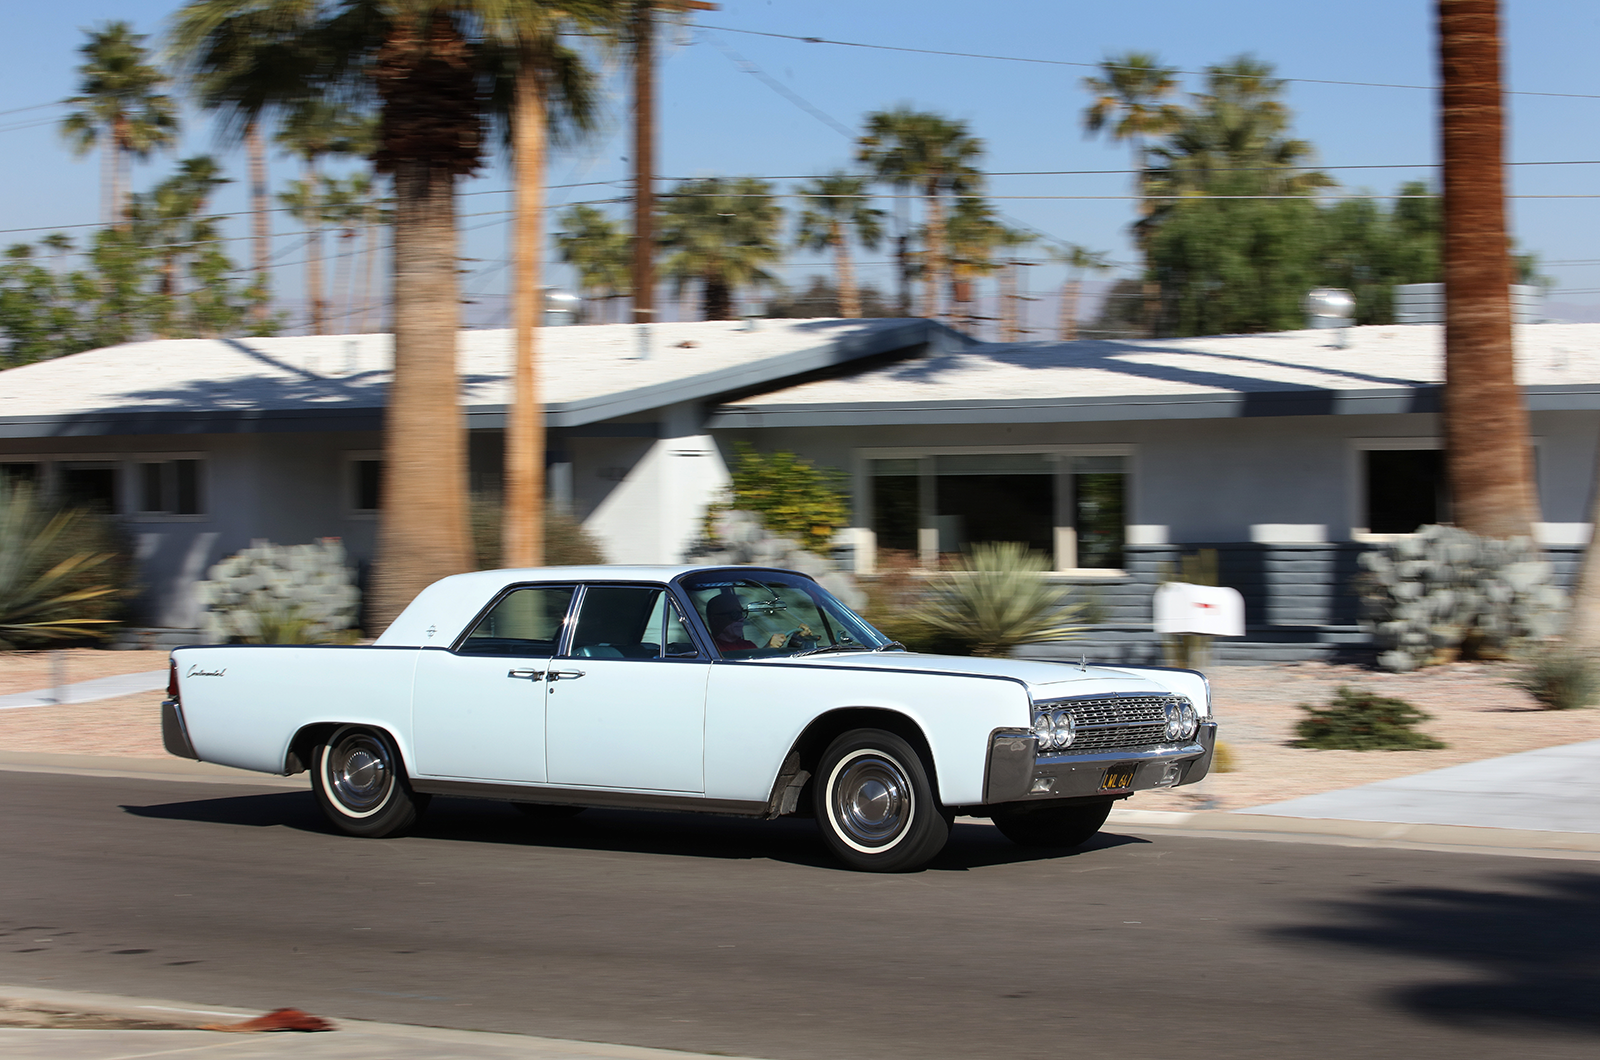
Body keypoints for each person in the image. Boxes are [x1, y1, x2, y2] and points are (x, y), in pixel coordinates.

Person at [704, 589, 809, 653]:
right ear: (715, 619)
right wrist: (768, 648)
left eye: (742, 613)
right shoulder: (710, 650)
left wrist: (796, 641)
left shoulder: (747, 645)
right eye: (734, 614)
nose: (741, 619)